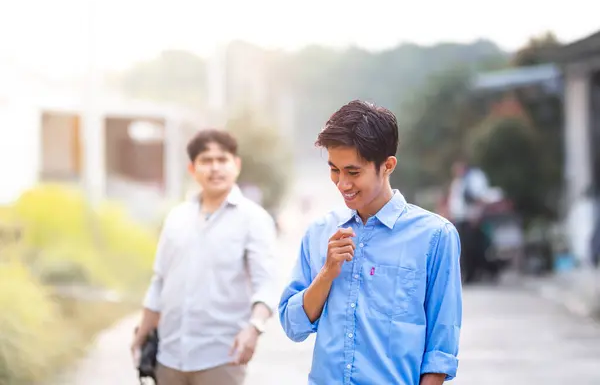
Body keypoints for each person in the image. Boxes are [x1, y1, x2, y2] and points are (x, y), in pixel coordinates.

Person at [278, 100, 462, 385]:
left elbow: (441, 346)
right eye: (334, 170)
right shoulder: (320, 231)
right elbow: (293, 326)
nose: (342, 184)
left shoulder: (435, 236)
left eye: (353, 172)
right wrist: (327, 274)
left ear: (387, 166)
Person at [131, 129, 278, 385]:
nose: (215, 168)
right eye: (206, 161)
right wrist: (142, 333)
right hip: (170, 356)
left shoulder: (253, 220)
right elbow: (160, 282)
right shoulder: (177, 218)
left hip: (221, 358)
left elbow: (265, 283)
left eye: (222, 160)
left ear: (236, 165)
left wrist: (254, 328)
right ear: (192, 169)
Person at [447, 158, 490, 283]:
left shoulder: (474, 178)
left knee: (472, 249)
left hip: (471, 218)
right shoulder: (458, 182)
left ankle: (473, 274)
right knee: (463, 249)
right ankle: (467, 274)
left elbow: (480, 198)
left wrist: (477, 215)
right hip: (459, 218)